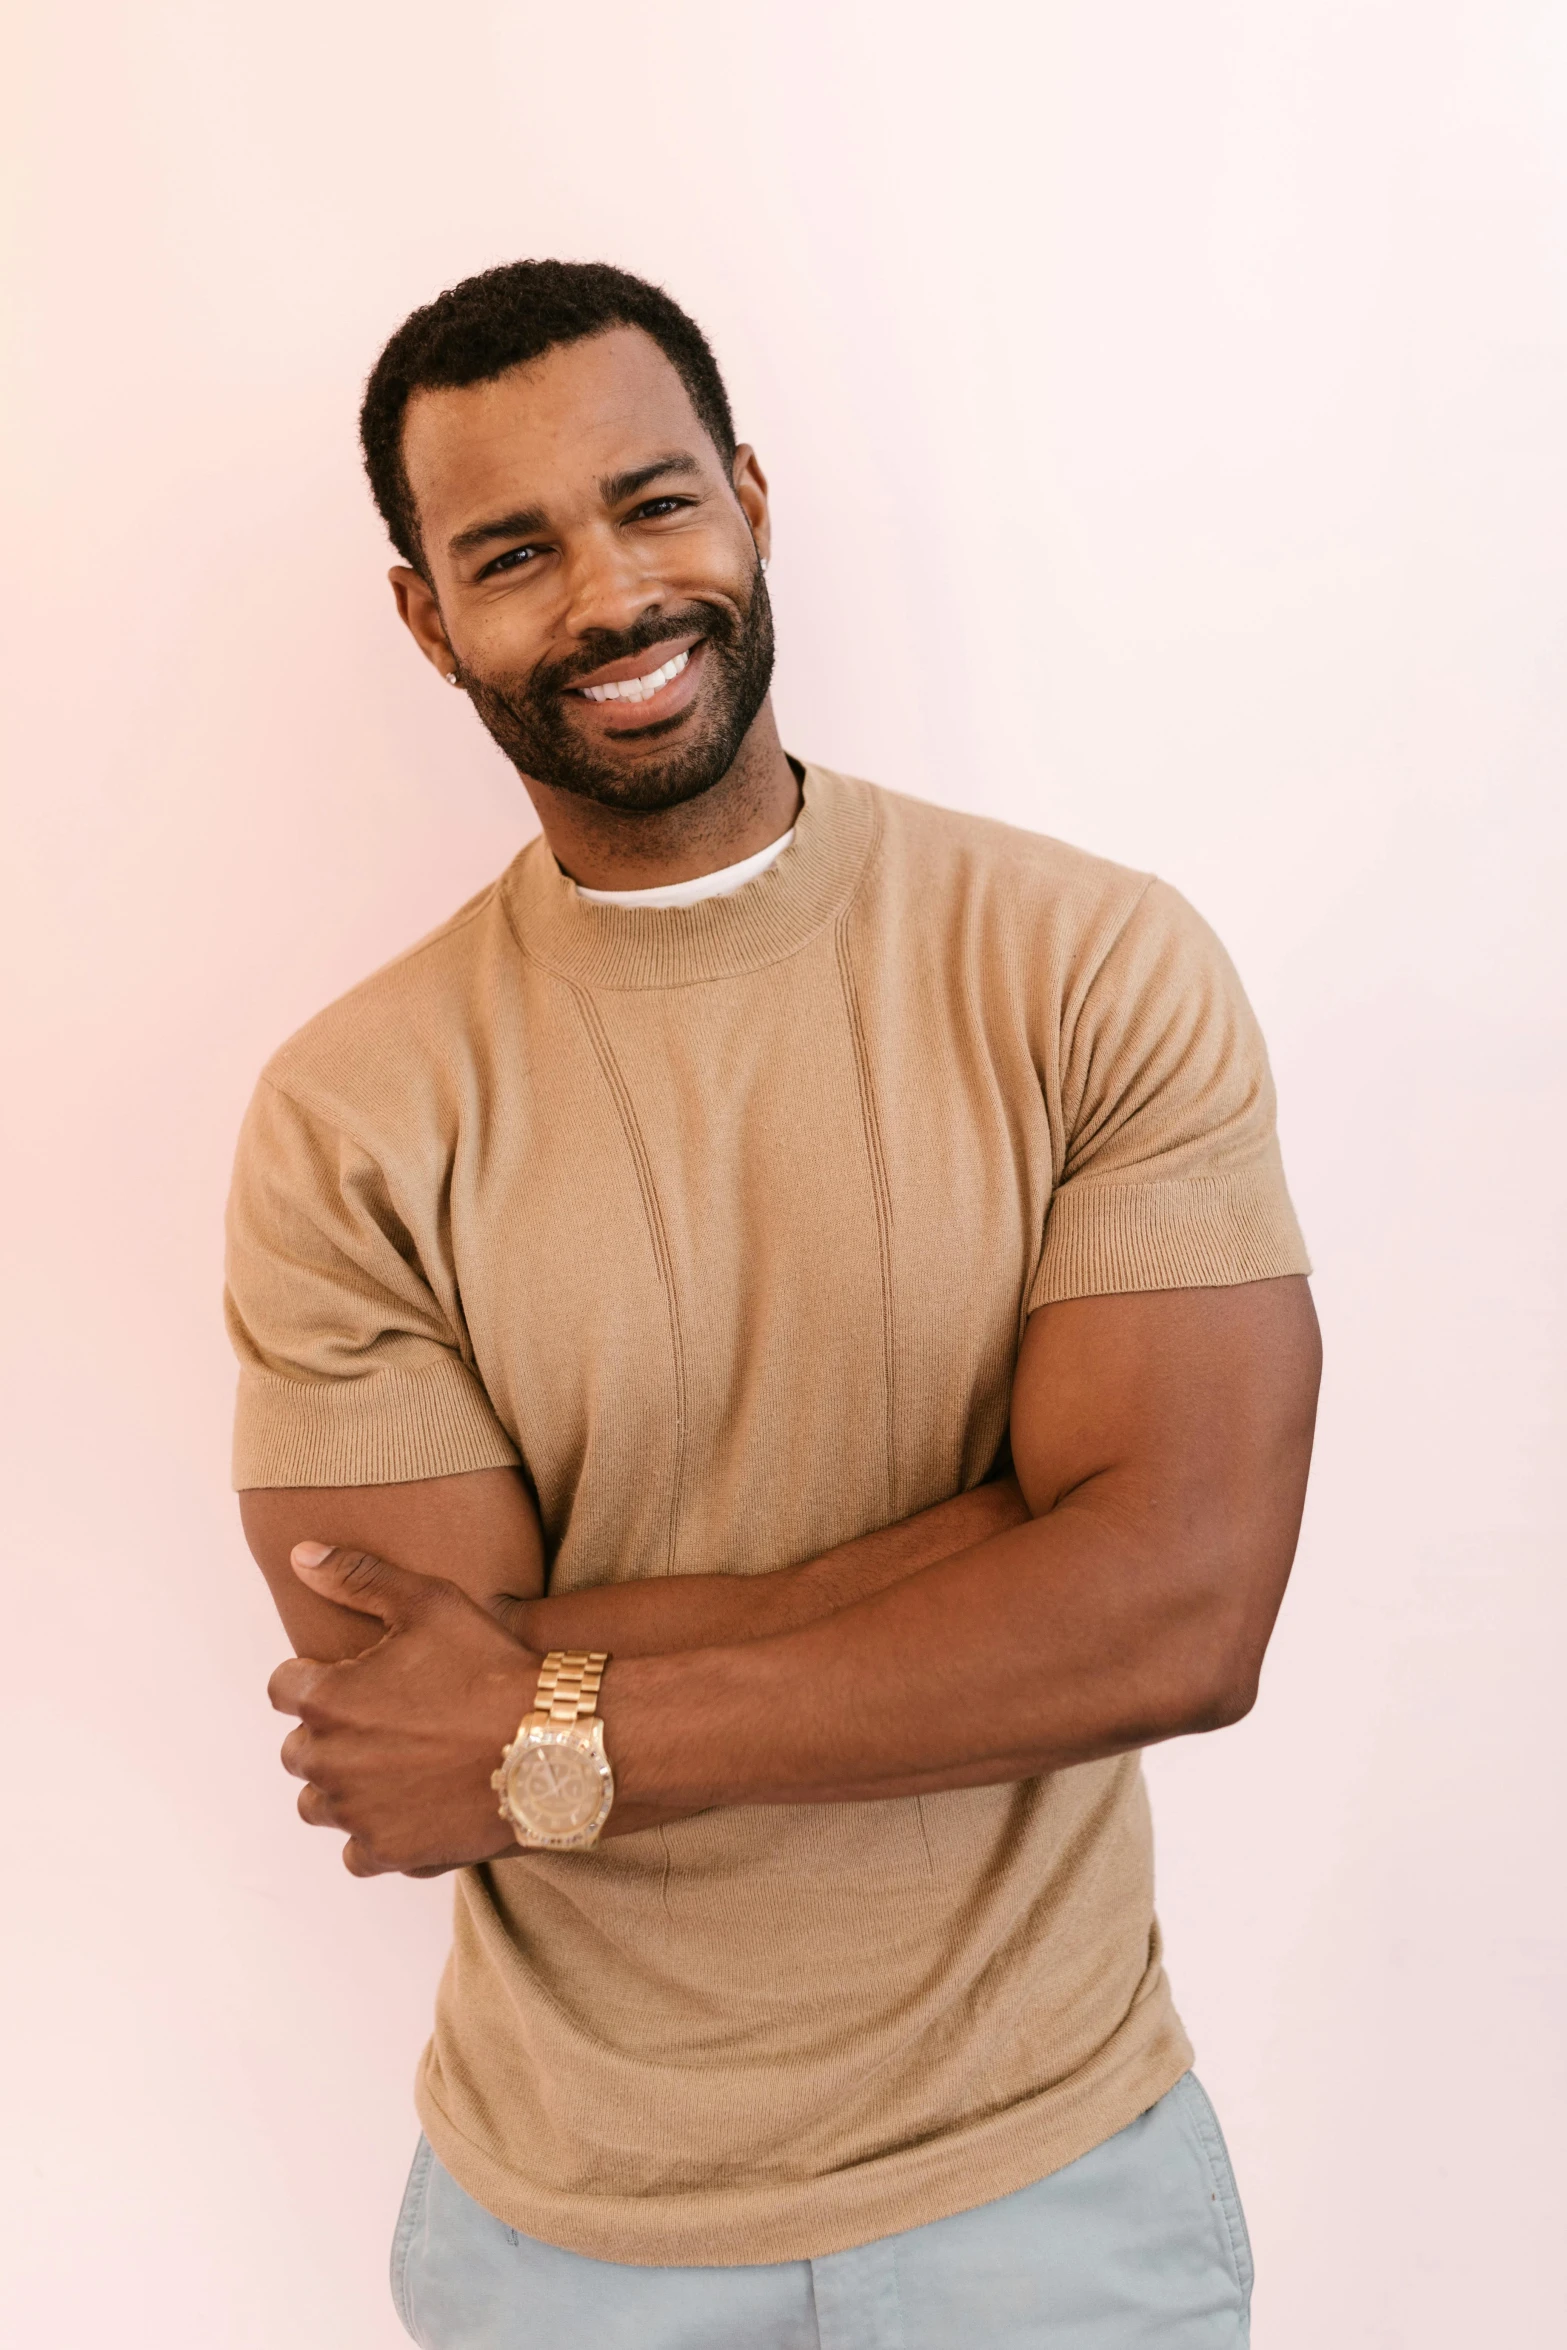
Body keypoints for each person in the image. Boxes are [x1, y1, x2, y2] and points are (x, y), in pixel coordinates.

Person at [227, 259, 1319, 2349]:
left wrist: (552, 1710)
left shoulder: (1089, 964)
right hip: (565, 2236)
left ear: (745, 493)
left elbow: (1185, 1607)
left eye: (653, 502)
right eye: (514, 551)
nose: (614, 595)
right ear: (426, 616)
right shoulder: (351, 1116)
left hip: (1052, 2179)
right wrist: (1024, 1542)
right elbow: (402, 1706)